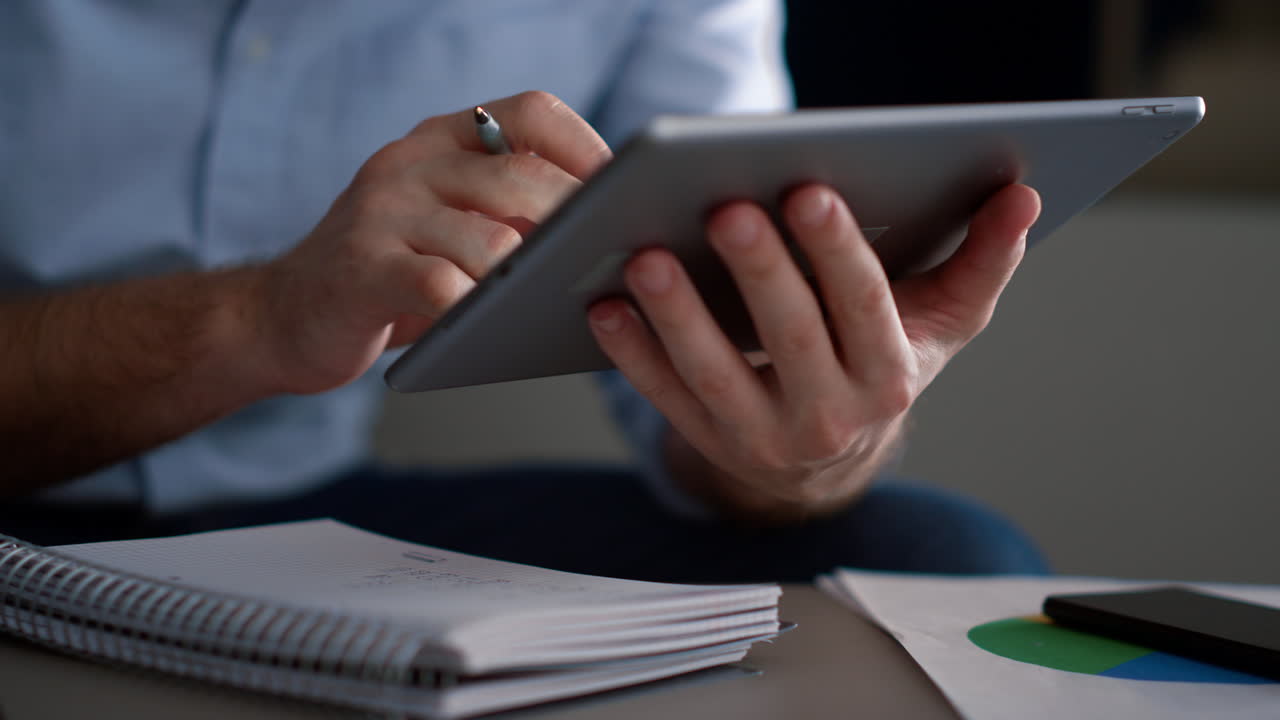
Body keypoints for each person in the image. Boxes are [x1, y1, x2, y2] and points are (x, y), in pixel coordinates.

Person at [0, 0, 1047, 581]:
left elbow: (698, 380)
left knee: (937, 554)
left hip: (305, 509)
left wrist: (802, 446)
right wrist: (258, 321)